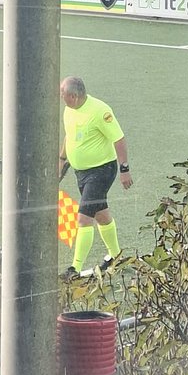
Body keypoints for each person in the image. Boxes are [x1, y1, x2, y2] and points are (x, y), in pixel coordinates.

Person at [59, 76, 133, 277]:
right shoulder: (69, 110)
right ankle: (116, 255)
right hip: (81, 172)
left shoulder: (99, 111)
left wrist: (124, 169)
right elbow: (69, 134)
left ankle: (74, 267)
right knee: (101, 214)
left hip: (101, 171)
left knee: (84, 217)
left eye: (63, 94)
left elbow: (118, 138)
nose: (61, 97)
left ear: (74, 96)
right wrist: (62, 160)